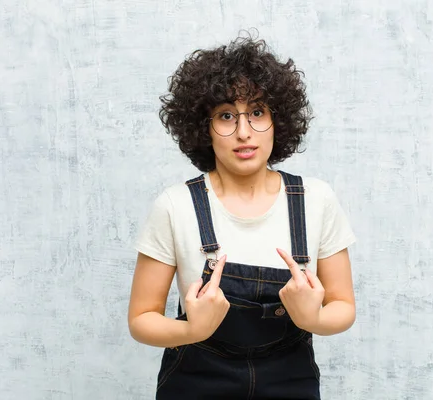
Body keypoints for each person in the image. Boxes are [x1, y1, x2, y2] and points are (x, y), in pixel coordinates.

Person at [128, 34, 357, 399]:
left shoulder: (317, 200)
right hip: (197, 377)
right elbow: (141, 319)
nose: (244, 132)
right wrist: (191, 331)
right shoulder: (175, 205)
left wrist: (311, 318)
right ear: (203, 127)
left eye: (257, 112)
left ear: (277, 120)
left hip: (290, 379)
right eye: (225, 116)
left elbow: (343, 306)